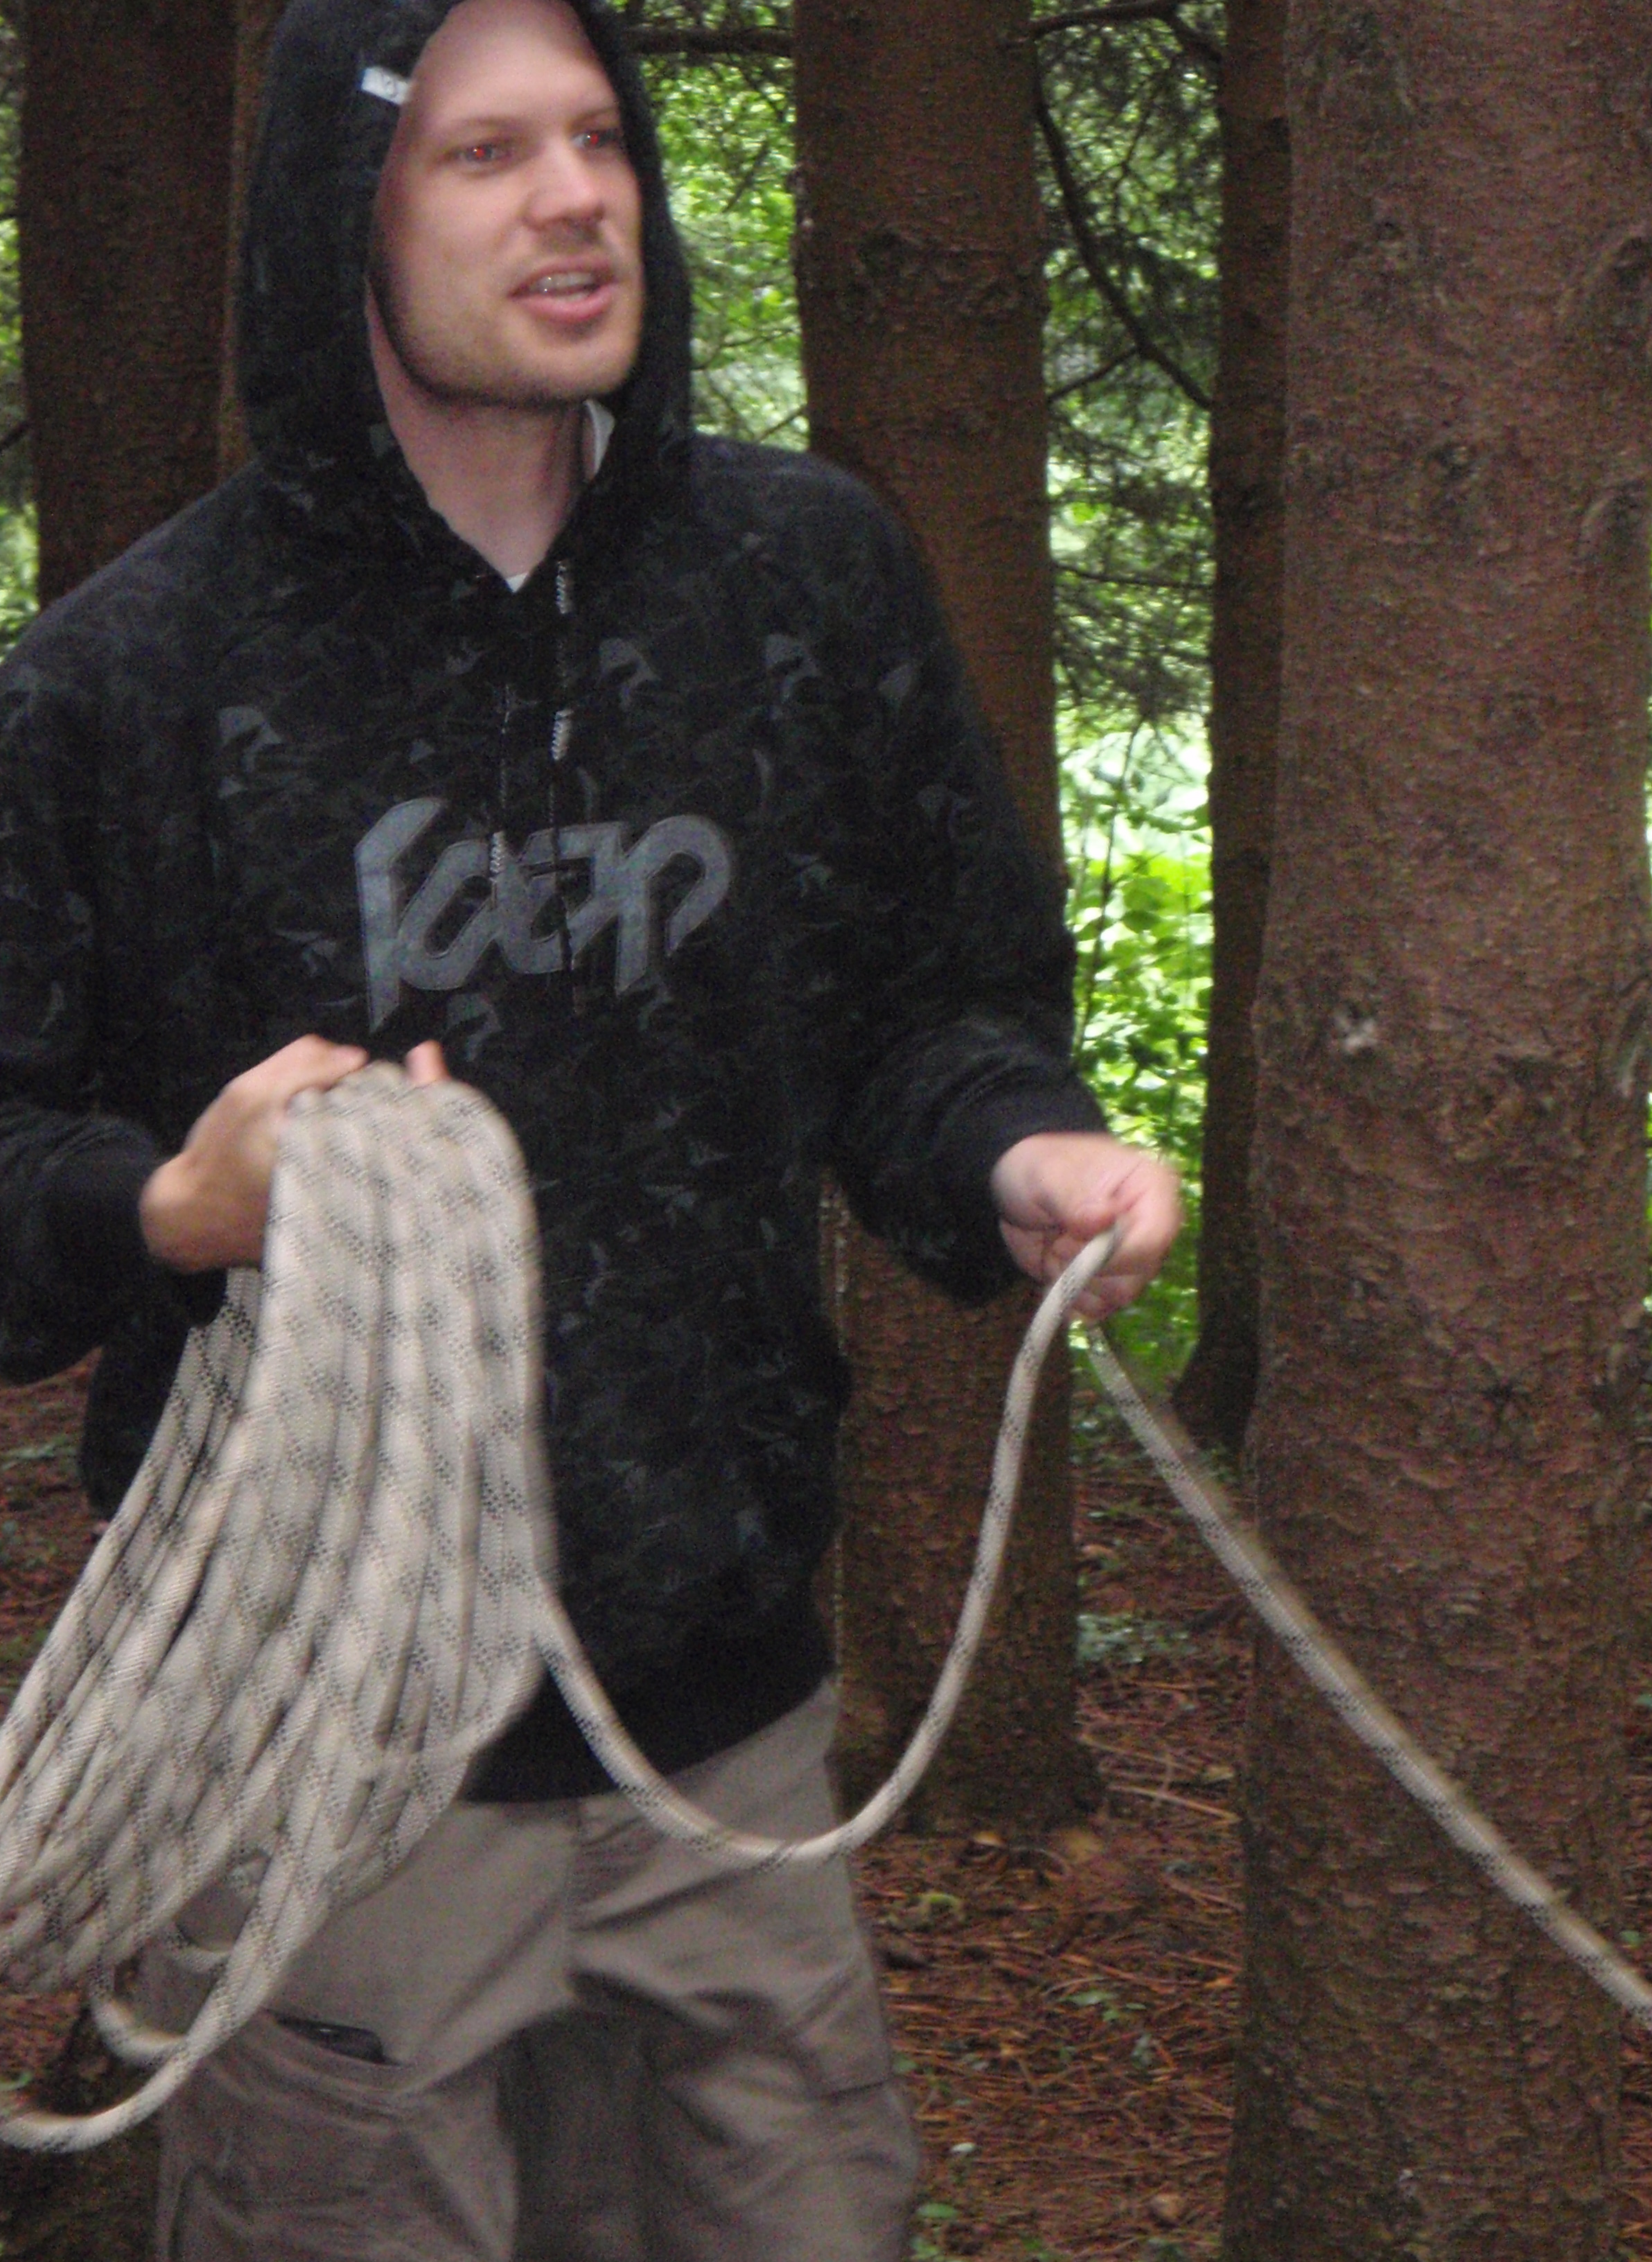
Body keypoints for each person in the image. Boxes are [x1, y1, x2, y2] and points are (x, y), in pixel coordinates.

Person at [0, 0, 1181, 2254]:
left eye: (599, 140)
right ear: (339, 225)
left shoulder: (801, 581)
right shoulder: (130, 679)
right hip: (332, 1773)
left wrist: (1020, 1152)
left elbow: (932, 1012)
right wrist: (172, 1205)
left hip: (726, 1736)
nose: (575, 200)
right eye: (483, 156)